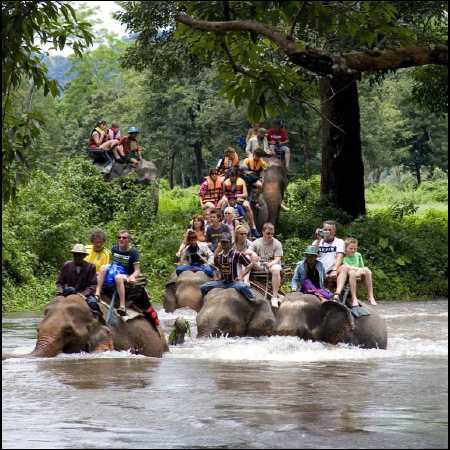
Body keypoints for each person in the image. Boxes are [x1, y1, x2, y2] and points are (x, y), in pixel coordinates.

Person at [200, 232, 256, 302]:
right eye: (222, 242)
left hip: (234, 282)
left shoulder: (237, 254)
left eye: (226, 242)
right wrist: (217, 276)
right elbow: (217, 268)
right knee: (203, 287)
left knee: (244, 287)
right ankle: (204, 302)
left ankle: (254, 302)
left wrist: (241, 276)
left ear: (230, 243)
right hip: (222, 282)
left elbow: (249, 265)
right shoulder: (219, 256)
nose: (224, 244)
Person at [95, 230, 141, 316]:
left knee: (118, 277)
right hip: (114, 269)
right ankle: (97, 293)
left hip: (125, 273)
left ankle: (122, 306)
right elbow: (112, 263)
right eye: (119, 237)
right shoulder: (114, 249)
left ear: (129, 240)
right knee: (102, 267)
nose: (121, 239)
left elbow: (137, 270)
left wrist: (132, 276)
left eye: (124, 238)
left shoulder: (133, 252)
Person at [312, 220, 351, 301]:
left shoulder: (339, 241)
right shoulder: (317, 242)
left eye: (330, 230)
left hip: (332, 269)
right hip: (319, 270)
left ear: (334, 232)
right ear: (322, 230)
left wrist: (335, 270)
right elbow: (312, 256)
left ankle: (337, 294)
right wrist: (319, 239)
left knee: (344, 267)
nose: (327, 232)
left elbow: (339, 256)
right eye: (325, 230)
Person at [56, 244, 100, 313]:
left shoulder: (91, 267)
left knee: (93, 304)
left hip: (85, 293)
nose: (77, 257)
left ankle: (100, 320)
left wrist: (83, 294)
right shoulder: (66, 265)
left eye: (80, 255)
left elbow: (93, 285)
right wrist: (61, 291)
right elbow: (59, 282)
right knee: (54, 305)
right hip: (69, 292)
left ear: (84, 256)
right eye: (75, 255)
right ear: (73, 255)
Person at [250, 222, 284, 307]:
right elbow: (247, 251)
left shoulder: (277, 243)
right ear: (263, 232)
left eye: (272, 234)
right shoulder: (256, 242)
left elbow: (278, 258)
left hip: (271, 265)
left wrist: (271, 263)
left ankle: (275, 297)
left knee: (276, 269)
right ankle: (244, 281)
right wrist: (252, 253)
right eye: (268, 233)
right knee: (248, 260)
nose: (270, 235)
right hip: (259, 265)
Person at [220, 167, 260, 238]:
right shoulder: (225, 183)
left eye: (233, 176)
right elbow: (224, 194)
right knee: (223, 202)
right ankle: (222, 221)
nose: (232, 178)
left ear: (236, 176)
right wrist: (228, 197)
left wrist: (236, 196)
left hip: (239, 199)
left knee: (247, 205)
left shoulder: (241, 181)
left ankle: (253, 227)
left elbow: (245, 194)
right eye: (231, 176)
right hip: (229, 199)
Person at [342, 238, 377, 306]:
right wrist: (359, 269)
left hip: (358, 273)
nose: (353, 250)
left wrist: (361, 270)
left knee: (368, 271)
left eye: (355, 248)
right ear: (346, 248)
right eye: (351, 248)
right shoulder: (343, 256)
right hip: (348, 274)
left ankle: (371, 296)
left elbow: (362, 267)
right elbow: (346, 266)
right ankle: (354, 298)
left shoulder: (358, 255)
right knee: (352, 272)